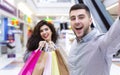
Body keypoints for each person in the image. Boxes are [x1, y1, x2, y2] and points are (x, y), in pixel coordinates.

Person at [68, 2, 120, 75]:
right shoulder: (75, 43)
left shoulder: (101, 44)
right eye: (73, 18)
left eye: (81, 17)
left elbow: (115, 35)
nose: (76, 21)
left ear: (90, 21)